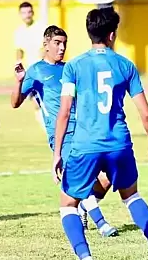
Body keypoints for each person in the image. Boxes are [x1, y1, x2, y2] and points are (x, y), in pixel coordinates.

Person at [53, 6, 148, 260]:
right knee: (131, 195)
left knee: (68, 204)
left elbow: (64, 112)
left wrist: (57, 155)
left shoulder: (74, 67)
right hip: (119, 143)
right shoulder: (125, 65)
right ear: (112, 34)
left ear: (90, 33)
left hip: (85, 145)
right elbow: (145, 112)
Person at [11, 25, 118, 237]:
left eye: (64, 44)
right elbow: (15, 103)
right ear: (46, 44)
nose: (62, 48)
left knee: (108, 176)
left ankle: (81, 206)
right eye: (57, 43)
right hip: (62, 134)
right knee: (81, 177)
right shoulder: (36, 71)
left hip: (86, 131)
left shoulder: (70, 67)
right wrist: (20, 81)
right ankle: (102, 223)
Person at [14, 2, 46, 130]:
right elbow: (19, 50)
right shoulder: (19, 32)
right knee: (36, 102)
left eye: (29, 12)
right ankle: (46, 126)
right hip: (29, 72)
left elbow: (45, 48)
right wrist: (17, 65)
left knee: (42, 101)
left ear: (33, 13)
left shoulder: (41, 28)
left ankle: (49, 126)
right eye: (24, 12)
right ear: (20, 15)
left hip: (42, 71)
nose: (27, 15)